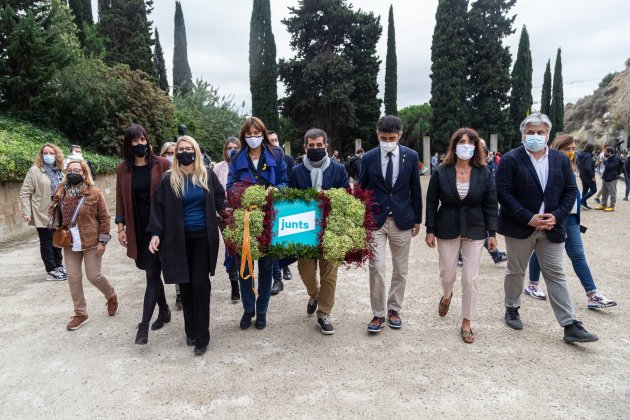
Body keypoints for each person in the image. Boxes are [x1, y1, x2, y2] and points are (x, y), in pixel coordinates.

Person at [495, 112, 598, 343]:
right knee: (516, 270)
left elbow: (570, 191)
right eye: (530, 132)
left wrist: (557, 216)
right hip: (520, 227)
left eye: (540, 132)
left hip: (552, 227)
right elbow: (503, 193)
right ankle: (512, 307)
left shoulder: (560, 160)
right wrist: (528, 217)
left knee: (556, 274)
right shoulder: (511, 159)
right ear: (522, 134)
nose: (535, 136)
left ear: (548, 134)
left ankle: (569, 324)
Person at [148, 136, 226, 356]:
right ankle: (190, 329)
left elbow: (220, 198)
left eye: (188, 148)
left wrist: (227, 211)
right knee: (186, 286)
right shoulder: (168, 179)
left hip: (203, 237)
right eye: (181, 149)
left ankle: (202, 335)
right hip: (177, 240)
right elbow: (158, 209)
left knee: (201, 284)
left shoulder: (207, 175)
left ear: (196, 151)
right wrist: (155, 234)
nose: (184, 152)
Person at [524, 134, 616, 309]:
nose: (571, 152)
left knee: (577, 255)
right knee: (539, 250)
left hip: (570, 218)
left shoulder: (572, 166)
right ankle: (533, 284)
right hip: (553, 217)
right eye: (567, 149)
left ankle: (592, 294)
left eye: (573, 149)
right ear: (557, 149)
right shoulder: (548, 166)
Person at [425, 128, 497, 344]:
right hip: (447, 226)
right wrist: (430, 230)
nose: (466, 145)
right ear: (454, 145)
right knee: (448, 274)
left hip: (475, 227)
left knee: (470, 278)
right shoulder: (441, 171)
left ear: (476, 146)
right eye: (461, 142)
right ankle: (447, 295)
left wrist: (492, 233)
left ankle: (467, 321)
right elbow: (431, 202)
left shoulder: (484, 172)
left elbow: (491, 204)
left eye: (470, 142)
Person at [358, 115, 422, 333]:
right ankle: (378, 313)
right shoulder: (368, 157)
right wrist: (360, 218)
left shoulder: (411, 156)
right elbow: (361, 189)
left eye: (391, 137)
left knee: (400, 269)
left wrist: (418, 219)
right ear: (377, 135)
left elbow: (416, 188)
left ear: (400, 135)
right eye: (383, 137)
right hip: (375, 220)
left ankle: (394, 309)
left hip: (402, 219)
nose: (387, 141)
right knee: (376, 267)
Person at [227, 116, 288, 330]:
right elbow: (230, 186)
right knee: (244, 264)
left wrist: (277, 190)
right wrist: (245, 195)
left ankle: (261, 311)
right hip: (244, 218)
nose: (253, 137)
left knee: (266, 265)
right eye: (249, 134)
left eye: (257, 133)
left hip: (269, 217)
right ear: (244, 136)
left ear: (263, 134)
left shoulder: (276, 154)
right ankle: (247, 309)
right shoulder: (235, 157)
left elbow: (284, 181)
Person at [289, 128, 350, 335]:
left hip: (331, 230)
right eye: (311, 146)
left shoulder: (338, 169)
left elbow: (347, 197)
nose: (315, 148)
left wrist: (329, 197)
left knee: (330, 276)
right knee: (305, 272)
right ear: (305, 147)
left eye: (319, 145)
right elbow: (290, 200)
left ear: (326, 145)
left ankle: (324, 314)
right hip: (305, 230)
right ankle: (314, 294)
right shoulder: (297, 172)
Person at [115, 124, 172, 345]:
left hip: (159, 227)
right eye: (135, 141)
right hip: (137, 227)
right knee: (151, 270)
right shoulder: (123, 168)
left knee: (151, 274)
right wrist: (120, 227)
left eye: (143, 140)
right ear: (129, 144)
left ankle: (143, 326)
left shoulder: (163, 164)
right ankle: (165, 310)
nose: (140, 144)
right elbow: (120, 198)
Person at [50, 159, 118, 330]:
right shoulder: (61, 190)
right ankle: (81, 313)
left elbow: (104, 218)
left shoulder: (94, 192)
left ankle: (111, 295)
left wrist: (103, 240)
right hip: (69, 241)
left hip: (91, 240)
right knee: (73, 278)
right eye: (70, 170)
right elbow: (53, 210)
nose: (73, 173)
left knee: (93, 276)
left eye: (77, 170)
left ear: (84, 173)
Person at [20, 143, 67, 281]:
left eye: (51, 153)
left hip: (59, 211)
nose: (48, 156)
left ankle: (58, 265)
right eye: (45, 153)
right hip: (43, 211)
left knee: (57, 239)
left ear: (56, 154)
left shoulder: (60, 170)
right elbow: (25, 192)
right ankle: (51, 269)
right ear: (41, 155)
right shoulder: (35, 170)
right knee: (46, 240)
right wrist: (26, 212)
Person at [213, 137, 242, 301]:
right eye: (229, 147)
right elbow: (215, 191)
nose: (232, 150)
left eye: (235, 147)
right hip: (223, 213)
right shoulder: (218, 167)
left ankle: (244, 280)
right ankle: (234, 284)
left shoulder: (244, 166)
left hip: (241, 213)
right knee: (231, 246)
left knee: (241, 246)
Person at [267, 130, 294, 288]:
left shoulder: (288, 159)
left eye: (276, 139)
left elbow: (290, 180)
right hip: (270, 205)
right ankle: (277, 279)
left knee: (282, 240)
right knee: (271, 241)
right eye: (271, 140)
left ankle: (285, 266)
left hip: (284, 202)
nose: (274, 142)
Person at [594, 146, 622, 212]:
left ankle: (612, 206)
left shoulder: (616, 159)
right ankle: (603, 205)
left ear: (610, 152)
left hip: (612, 178)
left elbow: (610, 167)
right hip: (606, 177)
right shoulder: (609, 158)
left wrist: (604, 161)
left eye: (605, 152)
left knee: (612, 193)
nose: (604, 153)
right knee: (604, 192)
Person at [577, 143, 597, 209]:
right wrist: (592, 176)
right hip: (588, 175)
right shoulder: (588, 156)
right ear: (591, 148)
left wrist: (594, 164)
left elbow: (580, 164)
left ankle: (584, 204)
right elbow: (588, 168)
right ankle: (581, 202)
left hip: (582, 174)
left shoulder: (581, 154)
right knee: (594, 190)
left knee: (585, 190)